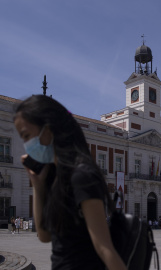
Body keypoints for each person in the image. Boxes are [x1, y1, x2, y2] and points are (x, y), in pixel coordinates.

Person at [14, 95, 127, 270]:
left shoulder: (82, 176)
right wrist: (37, 184)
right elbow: (44, 235)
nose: (27, 145)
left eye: (27, 135)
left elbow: (105, 249)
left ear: (49, 129)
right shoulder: (57, 177)